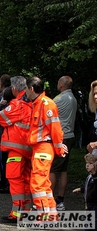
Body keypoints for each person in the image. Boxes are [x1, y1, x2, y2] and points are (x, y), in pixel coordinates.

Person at [25, 76, 68, 213]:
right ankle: (51, 215)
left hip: (43, 147)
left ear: (31, 89)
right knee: (43, 184)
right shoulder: (38, 103)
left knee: (37, 184)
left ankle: (44, 217)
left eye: (26, 88)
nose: (25, 92)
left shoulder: (46, 104)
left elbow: (55, 128)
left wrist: (59, 147)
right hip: (41, 148)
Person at [0, 76, 32, 223]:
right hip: (29, 148)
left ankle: (16, 214)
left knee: (15, 180)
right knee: (26, 181)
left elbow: (1, 117)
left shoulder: (18, 103)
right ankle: (26, 213)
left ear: (14, 89)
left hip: (16, 148)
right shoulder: (33, 103)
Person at [49, 76, 77, 211]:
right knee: (63, 170)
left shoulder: (58, 99)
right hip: (70, 135)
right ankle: (60, 199)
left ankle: (50, 199)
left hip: (61, 137)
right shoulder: (73, 99)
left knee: (53, 169)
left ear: (61, 84)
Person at [73, 153, 97, 229]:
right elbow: (90, 188)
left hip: (95, 205)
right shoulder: (89, 176)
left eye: (90, 163)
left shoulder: (95, 178)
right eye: (86, 163)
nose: (87, 165)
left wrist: (94, 174)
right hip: (88, 204)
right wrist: (82, 189)